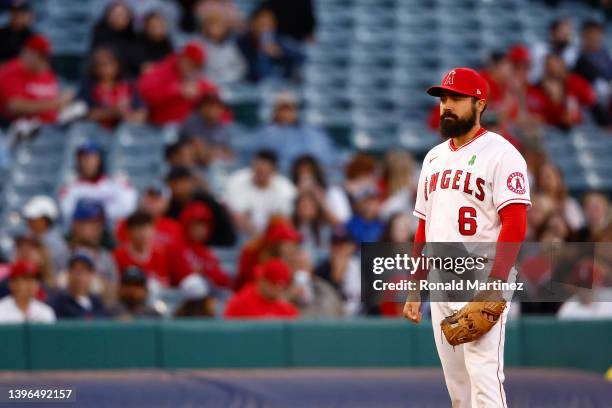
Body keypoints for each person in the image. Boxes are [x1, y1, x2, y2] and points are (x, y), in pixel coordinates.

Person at [403, 68, 531, 407]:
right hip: (441, 279)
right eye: (443, 98)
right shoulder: (433, 158)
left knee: (485, 383)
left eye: (457, 98)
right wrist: (416, 285)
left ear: (480, 104)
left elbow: (515, 223)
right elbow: (423, 227)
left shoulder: (502, 154)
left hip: (480, 275)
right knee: (458, 389)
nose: (447, 105)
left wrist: (496, 281)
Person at [137, 41, 218, 125]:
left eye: (197, 65)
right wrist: (178, 90)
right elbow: (146, 93)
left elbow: (214, 94)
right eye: (191, 63)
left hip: (190, 129)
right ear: (183, 58)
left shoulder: (197, 76)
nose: (193, 67)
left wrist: (200, 89)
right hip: (161, 126)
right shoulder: (163, 69)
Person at [0, 34, 73, 125]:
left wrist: (65, 103)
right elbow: (14, 106)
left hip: (51, 126)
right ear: (28, 53)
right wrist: (55, 103)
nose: (44, 62)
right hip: (19, 128)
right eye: (41, 57)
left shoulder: (48, 73)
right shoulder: (12, 71)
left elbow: (57, 101)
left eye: (45, 58)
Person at [59, 142, 138, 225]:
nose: (88, 163)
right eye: (84, 159)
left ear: (100, 160)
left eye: (92, 158)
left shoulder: (115, 183)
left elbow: (128, 209)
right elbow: (67, 213)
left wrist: (95, 211)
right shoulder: (70, 187)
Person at [253, 91, 337, 168]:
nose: (286, 114)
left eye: (290, 109)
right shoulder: (264, 134)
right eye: (282, 109)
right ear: (275, 111)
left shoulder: (309, 133)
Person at [224, 149, 296, 235]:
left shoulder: (285, 188)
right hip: (242, 233)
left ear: (273, 171)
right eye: (257, 169)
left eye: (263, 171)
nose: (259, 173)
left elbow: (285, 220)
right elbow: (236, 216)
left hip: (272, 236)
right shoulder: (237, 180)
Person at [165, 166, 237, 246]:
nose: (178, 188)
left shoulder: (208, 202)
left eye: (181, 183)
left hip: (211, 247)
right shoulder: (167, 206)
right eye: (174, 184)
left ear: (190, 182)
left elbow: (227, 233)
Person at [78, 47, 145, 128]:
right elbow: (87, 115)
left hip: (126, 130)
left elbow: (141, 112)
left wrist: (131, 118)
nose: (104, 69)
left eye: (107, 64)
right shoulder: (89, 87)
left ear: (117, 64)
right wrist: (113, 112)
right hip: (97, 132)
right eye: (99, 65)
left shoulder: (129, 85)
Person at [527, 54, 597, 129]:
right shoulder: (535, 90)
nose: (554, 71)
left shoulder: (575, 84)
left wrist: (558, 99)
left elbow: (591, 106)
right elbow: (536, 118)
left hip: (576, 131)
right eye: (550, 68)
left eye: (556, 67)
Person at [237, 6, 304, 82]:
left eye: (270, 25)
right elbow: (254, 72)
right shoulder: (243, 42)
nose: (266, 29)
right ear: (253, 24)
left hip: (280, 84)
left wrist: (281, 53)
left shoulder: (280, 41)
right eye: (262, 25)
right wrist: (262, 54)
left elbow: (300, 56)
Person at [234, 216, 301, 290]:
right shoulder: (252, 251)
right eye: (287, 244)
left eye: (292, 244)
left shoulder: (291, 257)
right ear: (277, 244)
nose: (291, 248)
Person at [113, 210, 178, 287]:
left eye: (147, 228)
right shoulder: (118, 255)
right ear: (129, 231)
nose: (143, 233)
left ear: (153, 230)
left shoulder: (160, 254)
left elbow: (165, 284)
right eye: (138, 229)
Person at [178, 202, 232, 288]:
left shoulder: (206, 253)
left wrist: (206, 271)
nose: (200, 229)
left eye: (204, 225)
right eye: (196, 224)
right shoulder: (176, 246)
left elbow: (224, 280)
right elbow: (177, 277)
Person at [224, 258, 298, 319]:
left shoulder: (284, 306)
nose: (279, 289)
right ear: (263, 280)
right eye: (274, 285)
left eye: (282, 287)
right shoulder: (241, 302)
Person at [314, 226, 361, 316]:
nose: (339, 248)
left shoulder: (362, 266)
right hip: (334, 320)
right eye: (335, 243)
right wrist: (336, 279)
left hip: (361, 317)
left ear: (352, 247)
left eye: (343, 244)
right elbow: (324, 301)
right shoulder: (321, 269)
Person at [179, 93, 234, 165]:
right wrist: (217, 153)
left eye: (218, 107)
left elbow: (229, 153)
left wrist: (221, 154)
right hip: (191, 165)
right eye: (210, 106)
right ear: (201, 108)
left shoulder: (222, 126)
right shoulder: (192, 122)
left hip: (215, 163)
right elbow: (200, 151)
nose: (214, 110)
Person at [50, 253, 108, 319]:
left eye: (83, 270)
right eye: (74, 269)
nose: (78, 275)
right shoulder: (58, 301)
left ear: (91, 275)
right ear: (68, 273)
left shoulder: (97, 302)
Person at [199, 3, 246, 84]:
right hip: (206, 84)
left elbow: (241, 67)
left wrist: (230, 76)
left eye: (220, 24)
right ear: (205, 26)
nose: (216, 28)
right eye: (212, 24)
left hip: (229, 83)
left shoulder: (230, 47)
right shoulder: (199, 45)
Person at [22, 195, 69, 276]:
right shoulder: (27, 238)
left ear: (45, 220)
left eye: (34, 218)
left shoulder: (57, 244)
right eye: (29, 218)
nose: (29, 221)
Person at [90, 1, 139, 78]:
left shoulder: (135, 38)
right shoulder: (100, 35)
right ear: (108, 16)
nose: (118, 18)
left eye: (122, 15)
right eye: (115, 15)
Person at [529, 18, 578, 84]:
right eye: (562, 32)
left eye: (568, 33)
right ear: (552, 32)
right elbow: (533, 76)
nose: (566, 36)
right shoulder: (539, 50)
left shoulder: (572, 54)